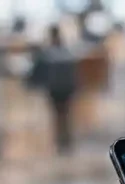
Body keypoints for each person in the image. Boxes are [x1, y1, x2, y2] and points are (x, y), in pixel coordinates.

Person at [39, 24, 79, 154]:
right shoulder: (67, 51)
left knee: (58, 116)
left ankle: (61, 141)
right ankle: (65, 140)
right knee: (65, 115)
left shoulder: (48, 53)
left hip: (56, 89)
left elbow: (41, 72)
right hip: (66, 89)